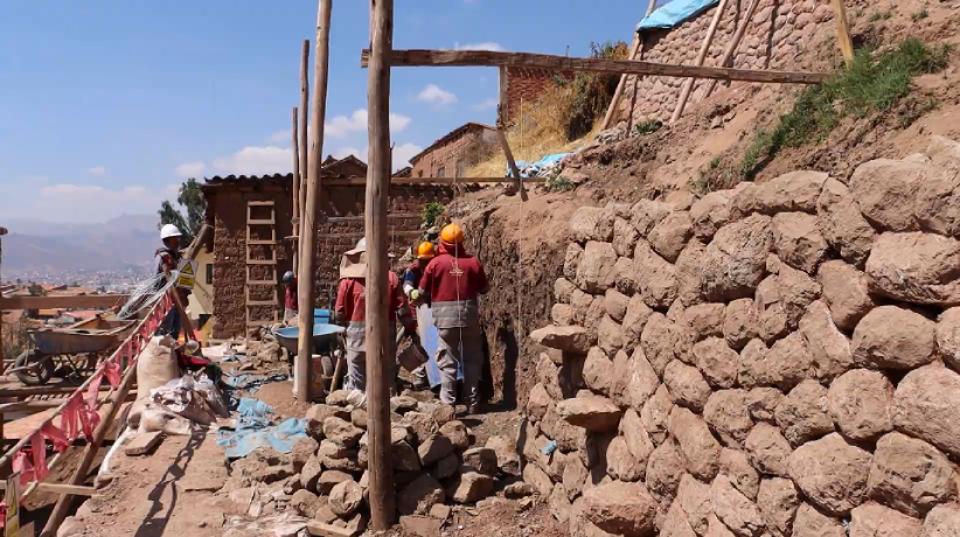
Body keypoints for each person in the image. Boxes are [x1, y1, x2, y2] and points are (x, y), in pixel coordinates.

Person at [418, 223, 489, 413]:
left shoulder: (435, 264)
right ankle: (472, 402)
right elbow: (484, 288)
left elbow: (422, 291)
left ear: (442, 242)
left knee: (447, 361)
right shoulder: (473, 262)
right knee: (472, 360)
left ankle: (448, 405)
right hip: (469, 319)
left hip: (445, 322)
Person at [334, 238, 416, 392]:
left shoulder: (347, 281)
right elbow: (402, 309)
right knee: (386, 377)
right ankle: (390, 409)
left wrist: (341, 331)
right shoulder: (391, 278)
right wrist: (411, 328)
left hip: (356, 339)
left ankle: (357, 410)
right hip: (384, 339)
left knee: (357, 380)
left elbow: (339, 311)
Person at [403, 242, 434, 389]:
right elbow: (406, 285)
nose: (425, 263)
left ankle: (433, 375)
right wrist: (411, 291)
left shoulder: (436, 267)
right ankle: (421, 376)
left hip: (435, 310)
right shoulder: (413, 270)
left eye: (428, 260)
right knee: (421, 343)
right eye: (423, 260)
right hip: (417, 312)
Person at [156, 224, 186, 338]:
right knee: (165, 332)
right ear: (168, 240)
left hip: (177, 300)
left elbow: (183, 279)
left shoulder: (176, 257)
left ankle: (173, 354)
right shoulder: (163, 257)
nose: (178, 241)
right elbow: (160, 280)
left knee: (175, 330)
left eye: (178, 238)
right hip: (166, 300)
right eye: (175, 238)